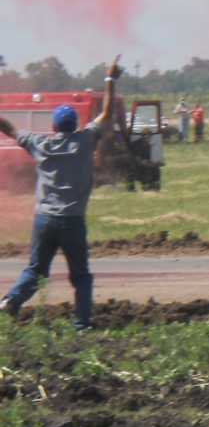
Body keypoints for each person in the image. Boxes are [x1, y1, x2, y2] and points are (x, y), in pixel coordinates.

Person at [0, 57, 123, 329]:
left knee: (36, 270)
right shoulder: (85, 140)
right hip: (73, 221)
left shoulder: (40, 144)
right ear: (75, 125)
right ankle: (81, 326)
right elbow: (106, 114)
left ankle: (11, 300)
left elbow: (9, 129)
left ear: (54, 127)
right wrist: (110, 79)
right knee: (81, 276)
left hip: (44, 219)